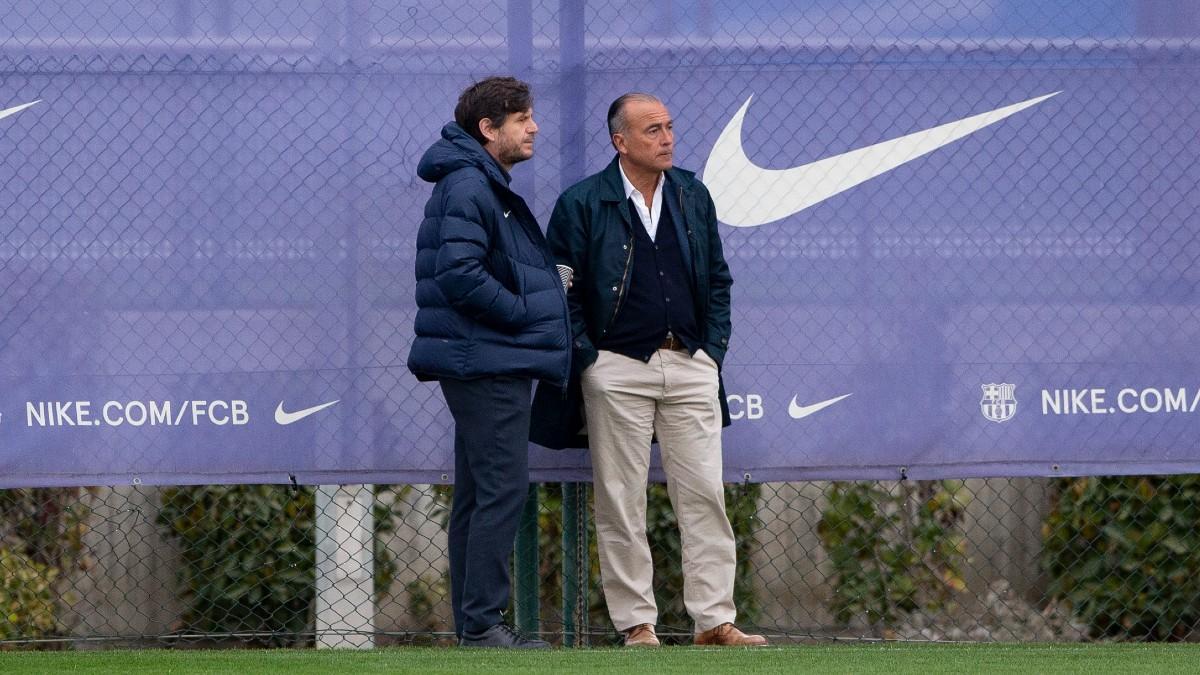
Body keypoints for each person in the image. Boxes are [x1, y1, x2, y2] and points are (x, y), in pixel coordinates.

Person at [532, 93, 766, 647]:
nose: (667, 138)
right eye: (652, 129)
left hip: (690, 364)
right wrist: (590, 360)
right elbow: (559, 290)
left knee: (705, 494)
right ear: (621, 141)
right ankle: (637, 625)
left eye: (669, 127)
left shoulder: (692, 194)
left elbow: (717, 281)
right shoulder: (583, 202)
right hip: (616, 369)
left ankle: (714, 621)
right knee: (621, 497)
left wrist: (711, 352)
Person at [407, 76, 569, 649]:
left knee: (481, 492)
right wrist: (525, 311)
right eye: (522, 118)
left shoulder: (476, 182)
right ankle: (481, 626)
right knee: (502, 490)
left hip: (484, 357)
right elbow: (459, 275)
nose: (534, 127)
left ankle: (476, 625)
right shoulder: (470, 185)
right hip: (485, 360)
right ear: (488, 129)